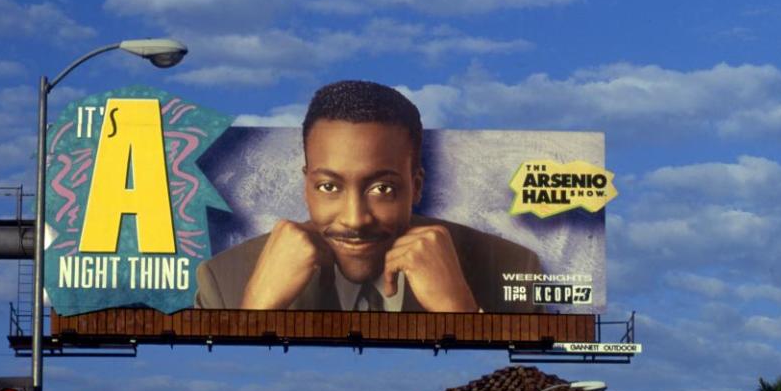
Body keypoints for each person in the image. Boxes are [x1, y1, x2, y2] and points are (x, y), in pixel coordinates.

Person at [194, 80, 541, 313]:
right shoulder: (224, 280)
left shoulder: (512, 268)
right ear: (306, 186)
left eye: (382, 189)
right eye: (329, 187)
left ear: (416, 186)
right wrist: (254, 310)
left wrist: (460, 311)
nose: (355, 219)